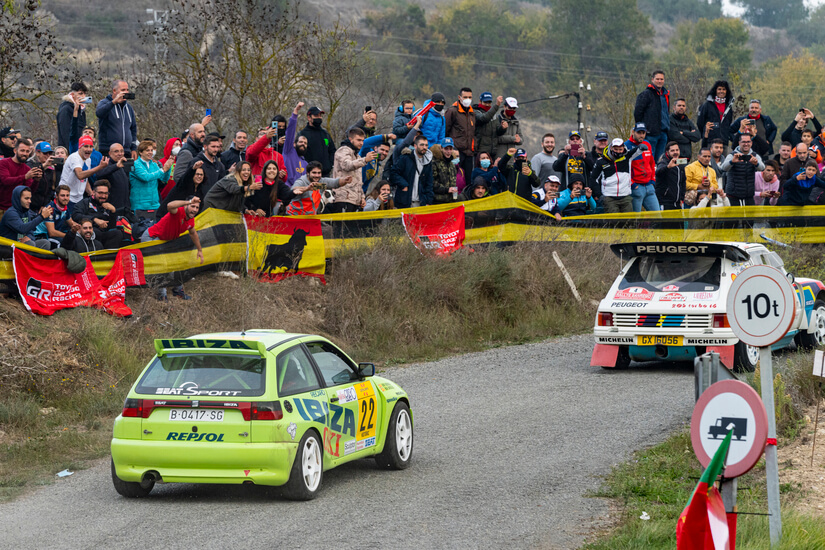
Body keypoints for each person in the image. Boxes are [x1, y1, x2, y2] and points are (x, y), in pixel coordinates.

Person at [141, 196, 204, 300]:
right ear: (186, 206)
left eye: (197, 207)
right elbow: (169, 205)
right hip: (152, 238)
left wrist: (200, 250)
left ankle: (177, 290)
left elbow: (193, 233)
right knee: (162, 264)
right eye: (192, 206)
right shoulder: (178, 212)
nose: (195, 210)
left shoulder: (190, 220)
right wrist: (188, 201)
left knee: (178, 263)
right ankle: (162, 295)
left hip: (166, 242)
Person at [59, 135, 110, 209]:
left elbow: (85, 178)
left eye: (91, 147)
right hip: (67, 197)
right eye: (86, 146)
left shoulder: (88, 159)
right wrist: (100, 167)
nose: (89, 149)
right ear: (80, 147)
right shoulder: (74, 157)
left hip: (79, 198)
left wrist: (91, 192)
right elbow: (80, 175)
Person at [331, 127, 374, 213]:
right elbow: (347, 165)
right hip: (343, 198)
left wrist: (362, 197)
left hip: (354, 200)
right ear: (350, 139)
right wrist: (365, 160)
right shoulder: (343, 150)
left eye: (363, 140)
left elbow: (358, 180)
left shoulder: (357, 155)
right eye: (358, 140)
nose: (361, 143)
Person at [71, 180, 124, 248]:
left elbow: (111, 226)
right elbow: (76, 215)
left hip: (103, 235)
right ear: (93, 192)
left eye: (106, 193)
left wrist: (113, 212)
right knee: (96, 232)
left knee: (117, 233)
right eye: (100, 193)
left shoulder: (108, 205)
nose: (103, 196)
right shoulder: (85, 203)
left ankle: (108, 254)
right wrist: (94, 220)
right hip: (87, 233)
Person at [591, 139, 637, 213]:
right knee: (613, 219)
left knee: (629, 219)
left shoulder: (627, 157)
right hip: (609, 198)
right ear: (611, 148)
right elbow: (593, 178)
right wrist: (599, 195)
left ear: (624, 148)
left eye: (620, 149)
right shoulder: (601, 161)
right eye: (616, 149)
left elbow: (639, 149)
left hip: (625, 196)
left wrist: (643, 145)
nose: (618, 151)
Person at [129, 139, 173, 217]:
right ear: (140, 152)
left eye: (151, 150)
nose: (150, 152)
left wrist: (168, 168)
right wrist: (163, 170)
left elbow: (164, 179)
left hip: (155, 205)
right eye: (147, 150)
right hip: (140, 206)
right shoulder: (135, 165)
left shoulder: (154, 165)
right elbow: (146, 177)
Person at [96, 79, 137, 158]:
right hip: (108, 150)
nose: (126, 92)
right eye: (123, 90)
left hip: (126, 151)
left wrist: (133, 148)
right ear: (114, 91)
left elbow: (133, 129)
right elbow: (99, 113)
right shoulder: (104, 103)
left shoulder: (128, 108)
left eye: (127, 90)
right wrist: (113, 102)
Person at [391, 131, 433, 208]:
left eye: (426, 145)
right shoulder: (405, 158)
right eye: (422, 145)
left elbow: (429, 183)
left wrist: (428, 201)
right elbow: (393, 173)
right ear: (415, 146)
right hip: (404, 200)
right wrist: (404, 185)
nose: (424, 147)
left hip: (420, 202)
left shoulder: (428, 162)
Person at [721, 133, 765, 206]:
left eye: (748, 142)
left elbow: (762, 168)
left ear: (751, 143)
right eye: (743, 142)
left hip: (749, 196)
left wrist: (756, 163)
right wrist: (732, 162)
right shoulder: (732, 155)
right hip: (733, 196)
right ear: (739, 143)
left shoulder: (755, 155)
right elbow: (723, 168)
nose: (746, 144)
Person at [634, 70, 670, 159]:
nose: (659, 81)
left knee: (660, 160)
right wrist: (643, 130)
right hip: (650, 134)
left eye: (661, 79)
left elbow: (666, 113)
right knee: (649, 159)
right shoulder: (646, 94)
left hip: (663, 133)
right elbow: (638, 112)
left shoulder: (665, 95)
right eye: (657, 79)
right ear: (652, 79)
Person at [0, 137, 39, 218]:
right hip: (2, 208)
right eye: (22, 150)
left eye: (27, 151)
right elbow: (5, 180)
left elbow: (29, 190)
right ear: (15, 150)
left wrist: (36, 180)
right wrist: (25, 177)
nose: (25, 153)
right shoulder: (4, 163)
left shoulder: (27, 169)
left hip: (17, 210)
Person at [625, 123, 658, 212]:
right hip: (636, 187)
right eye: (639, 132)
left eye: (643, 133)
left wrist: (652, 181)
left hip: (649, 186)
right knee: (636, 218)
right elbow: (624, 169)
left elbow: (652, 163)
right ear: (633, 132)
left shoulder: (647, 144)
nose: (641, 135)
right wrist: (633, 184)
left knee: (658, 216)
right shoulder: (626, 146)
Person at [445, 87, 477, 179]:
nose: (468, 99)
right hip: (457, 151)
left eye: (470, 97)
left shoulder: (472, 113)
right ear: (459, 97)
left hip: (469, 152)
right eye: (465, 97)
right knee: (456, 178)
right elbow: (446, 130)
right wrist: (450, 148)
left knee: (468, 179)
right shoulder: (452, 111)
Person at [298, 106, 336, 176]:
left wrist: (329, 165)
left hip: (325, 174)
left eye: (320, 116)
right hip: (309, 175)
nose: (319, 118)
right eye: (316, 116)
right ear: (309, 118)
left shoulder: (325, 133)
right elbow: (299, 154)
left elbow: (332, 150)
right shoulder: (302, 134)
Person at [697, 80, 734, 148]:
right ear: (715, 91)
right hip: (710, 141)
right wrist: (706, 133)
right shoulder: (707, 105)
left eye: (724, 89)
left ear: (727, 91)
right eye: (719, 89)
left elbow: (729, 122)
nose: (721, 91)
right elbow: (700, 122)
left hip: (724, 141)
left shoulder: (728, 107)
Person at [95, 143, 131, 211]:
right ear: (110, 153)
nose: (120, 154)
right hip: (111, 208)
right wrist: (116, 166)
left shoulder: (123, 166)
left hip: (124, 207)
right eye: (116, 151)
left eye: (121, 151)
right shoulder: (106, 164)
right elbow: (99, 174)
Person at [56, 82, 89, 153]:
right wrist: (71, 151)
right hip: (69, 151)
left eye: (84, 94)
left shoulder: (81, 111)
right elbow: (65, 133)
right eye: (80, 93)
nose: (83, 96)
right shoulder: (66, 110)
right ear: (72, 95)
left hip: (80, 150)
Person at [655, 142, 687, 210]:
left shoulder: (680, 163)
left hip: (678, 202)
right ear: (667, 152)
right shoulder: (663, 162)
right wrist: (668, 167)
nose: (675, 152)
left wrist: (681, 198)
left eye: (677, 150)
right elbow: (658, 172)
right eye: (672, 150)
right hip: (665, 202)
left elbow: (683, 182)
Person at [283, 102, 309, 186]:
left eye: (305, 143)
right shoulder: (288, 151)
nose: (303, 144)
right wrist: (295, 112)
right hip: (288, 189)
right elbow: (290, 133)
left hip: (301, 191)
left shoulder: (305, 163)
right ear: (294, 144)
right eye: (300, 142)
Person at [474, 92, 503, 161]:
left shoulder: (494, 114)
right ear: (480, 101)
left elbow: (498, 131)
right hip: (480, 151)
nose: (487, 104)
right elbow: (484, 118)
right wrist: (496, 106)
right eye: (485, 102)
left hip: (492, 151)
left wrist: (503, 128)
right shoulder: (476, 112)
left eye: (489, 102)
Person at [431, 138, 459, 204]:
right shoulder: (434, 163)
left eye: (450, 149)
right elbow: (432, 182)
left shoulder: (452, 165)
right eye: (446, 149)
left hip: (451, 201)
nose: (448, 151)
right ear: (441, 148)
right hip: (438, 201)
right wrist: (447, 190)